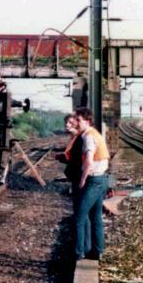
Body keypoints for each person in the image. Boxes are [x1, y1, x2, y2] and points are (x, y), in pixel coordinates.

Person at [74, 107, 110, 261]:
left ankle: (79, 252)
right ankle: (98, 251)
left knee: (79, 217)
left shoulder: (88, 137)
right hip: (101, 179)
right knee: (96, 217)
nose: (76, 123)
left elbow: (88, 162)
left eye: (78, 120)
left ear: (87, 121)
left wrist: (82, 180)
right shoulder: (95, 134)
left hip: (93, 180)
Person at [56, 113, 90, 248]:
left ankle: (82, 248)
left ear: (77, 122)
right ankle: (83, 245)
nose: (67, 125)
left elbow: (79, 159)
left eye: (70, 122)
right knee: (80, 212)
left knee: (82, 213)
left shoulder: (81, 138)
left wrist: (63, 158)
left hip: (80, 178)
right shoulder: (75, 138)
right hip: (77, 177)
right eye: (66, 123)